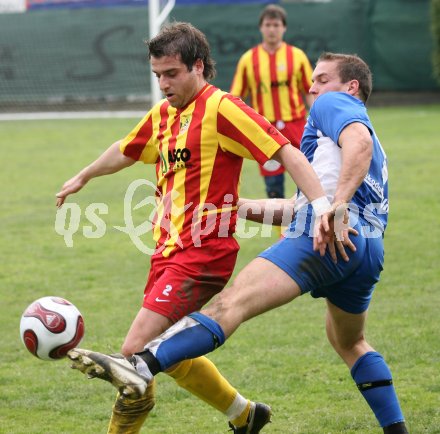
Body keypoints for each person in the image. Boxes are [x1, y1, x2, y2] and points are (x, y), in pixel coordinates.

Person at [68, 53, 409, 434]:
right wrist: (238, 206)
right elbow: (297, 207)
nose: (312, 88)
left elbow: (354, 147)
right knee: (350, 343)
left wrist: (337, 205)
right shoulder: (366, 146)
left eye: (322, 79)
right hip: (365, 249)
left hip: (325, 235)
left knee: (230, 304)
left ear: (351, 87)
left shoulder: (335, 106)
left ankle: (139, 365)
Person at [230, 4, 314, 202]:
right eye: (268, 25)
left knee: (309, 178)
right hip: (265, 130)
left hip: (296, 126)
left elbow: (310, 91)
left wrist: (317, 116)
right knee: (274, 188)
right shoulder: (248, 60)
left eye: (276, 25)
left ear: (284, 28)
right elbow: (236, 97)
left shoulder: (297, 56)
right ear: (261, 28)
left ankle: (310, 224)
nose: (272, 29)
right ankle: (282, 232)